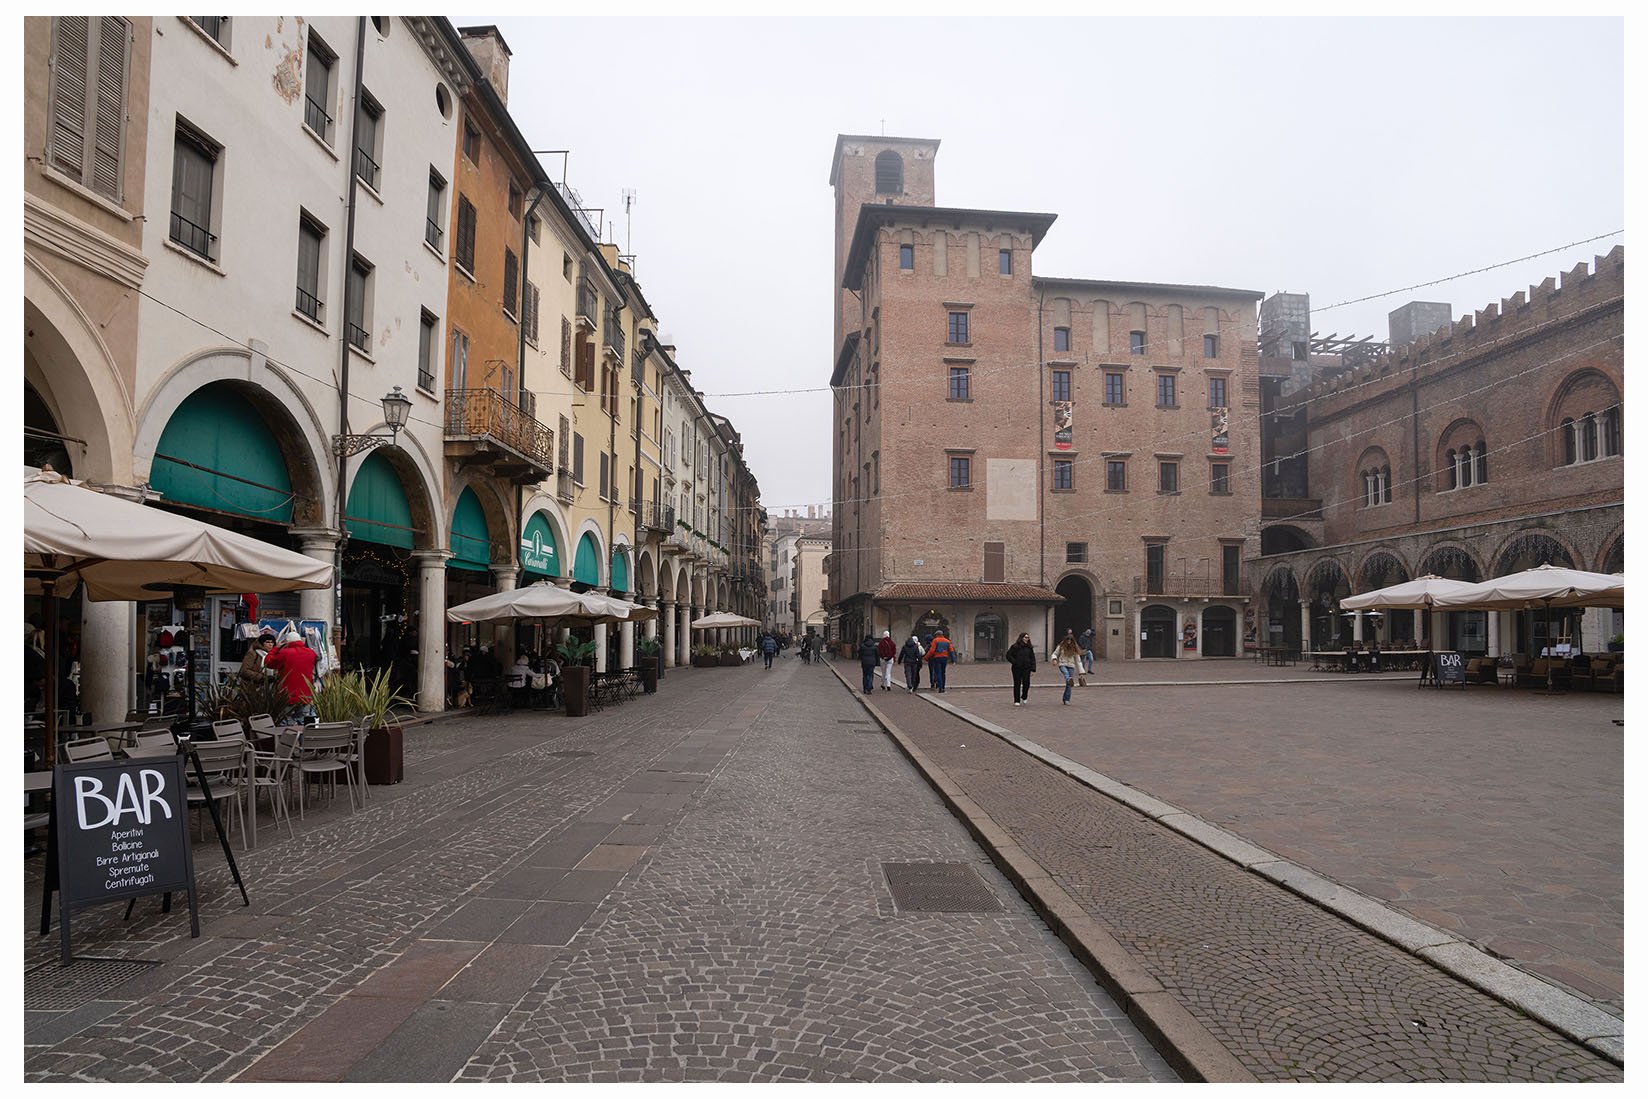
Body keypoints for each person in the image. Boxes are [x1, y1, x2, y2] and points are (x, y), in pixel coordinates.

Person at [264, 627, 320, 723]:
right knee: (302, 721)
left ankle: (287, 733)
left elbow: (268, 662)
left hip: (287, 695)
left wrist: (276, 648)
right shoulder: (311, 653)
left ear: (287, 642)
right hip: (305, 694)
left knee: (285, 721)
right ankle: (300, 733)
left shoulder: (285, 653)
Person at [1007, 632, 1037, 706]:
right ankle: (1016, 700)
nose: (1027, 639)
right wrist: (1014, 662)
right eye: (1025, 637)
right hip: (1017, 668)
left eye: (1028, 637)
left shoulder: (1029, 647)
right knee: (1017, 684)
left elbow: (1032, 658)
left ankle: (1024, 696)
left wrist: (1033, 669)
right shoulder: (1015, 646)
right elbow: (1008, 655)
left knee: (1026, 683)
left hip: (1027, 668)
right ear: (1021, 638)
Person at [1054, 629, 1083, 705]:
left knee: (1069, 684)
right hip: (1062, 664)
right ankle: (1069, 679)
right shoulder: (1061, 646)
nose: (1069, 641)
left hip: (1071, 665)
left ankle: (1066, 699)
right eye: (1068, 639)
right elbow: (1055, 653)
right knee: (1066, 674)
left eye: (1070, 640)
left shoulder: (1074, 649)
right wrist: (1054, 659)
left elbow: (1078, 661)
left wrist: (1081, 672)